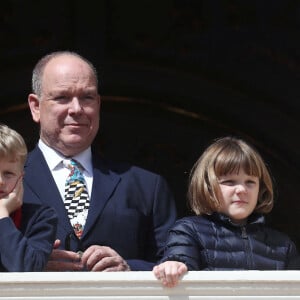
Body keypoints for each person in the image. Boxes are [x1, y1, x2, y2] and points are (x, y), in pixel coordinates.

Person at [23, 51, 177, 271]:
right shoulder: (9, 180)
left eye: (87, 97)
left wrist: (129, 269)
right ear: (36, 106)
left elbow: (176, 264)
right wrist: (27, 265)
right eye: (62, 97)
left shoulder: (147, 186)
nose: (76, 109)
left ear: (98, 103)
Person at [153, 136, 300, 287]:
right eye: (229, 182)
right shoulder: (189, 231)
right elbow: (179, 261)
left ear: (260, 189)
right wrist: (173, 266)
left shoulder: (283, 245)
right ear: (208, 186)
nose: (242, 189)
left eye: (250, 182)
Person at [0, 124, 57, 271]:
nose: (0, 181)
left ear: (21, 178)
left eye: (8, 174)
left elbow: (27, 269)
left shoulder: (40, 218)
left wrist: (2, 216)